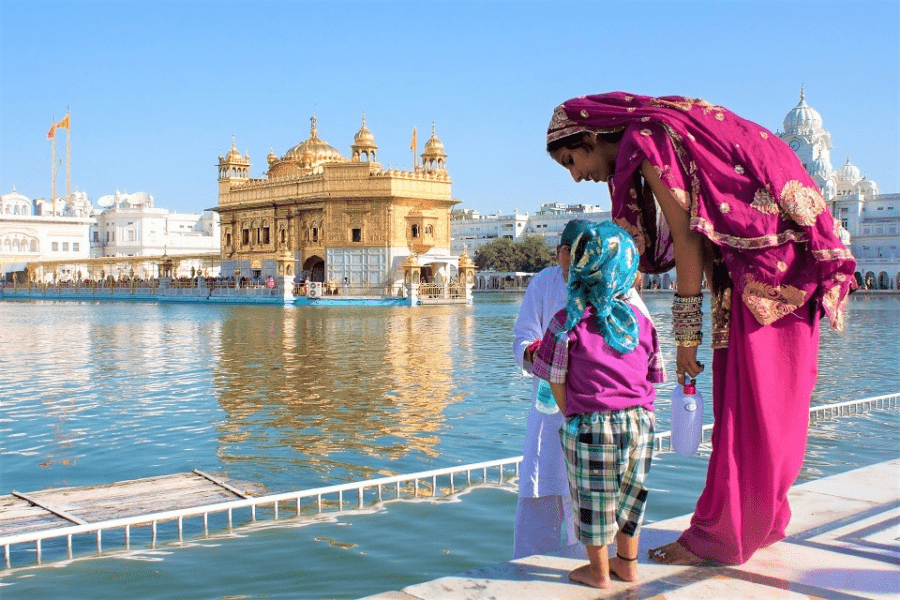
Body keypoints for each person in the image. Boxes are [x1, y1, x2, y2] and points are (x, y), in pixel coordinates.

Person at [546, 92, 857, 566]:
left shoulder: (645, 140)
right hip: (782, 267)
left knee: (749, 409)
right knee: (774, 408)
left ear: (593, 135)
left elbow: (688, 238)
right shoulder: (667, 129)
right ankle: (762, 520)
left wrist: (686, 337)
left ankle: (721, 537)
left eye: (573, 158)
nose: (576, 175)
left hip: (766, 275)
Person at [531, 221, 666, 588]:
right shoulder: (640, 322)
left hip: (591, 424)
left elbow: (554, 377)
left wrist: (571, 411)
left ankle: (599, 571)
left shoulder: (566, 322)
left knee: (593, 501)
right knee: (630, 498)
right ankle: (629, 564)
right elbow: (654, 374)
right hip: (640, 423)